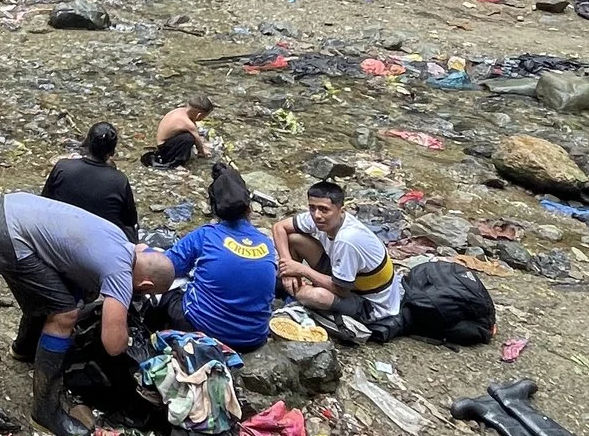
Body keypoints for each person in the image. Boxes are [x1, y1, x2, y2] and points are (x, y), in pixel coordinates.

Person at [0, 189, 174, 436]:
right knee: (65, 314)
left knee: (61, 293)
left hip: (10, 206)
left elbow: (83, 277)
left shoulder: (120, 240)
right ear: (145, 286)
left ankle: (25, 349)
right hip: (7, 236)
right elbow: (114, 345)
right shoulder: (120, 274)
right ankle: (44, 411)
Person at [154, 162, 276, 351]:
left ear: (214, 208)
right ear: (248, 207)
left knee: (166, 290)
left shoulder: (205, 235)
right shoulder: (266, 243)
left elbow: (166, 267)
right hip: (254, 338)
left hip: (208, 331)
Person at [273, 178, 405, 341]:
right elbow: (279, 227)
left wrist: (300, 270)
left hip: (369, 304)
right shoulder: (319, 218)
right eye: (312, 208)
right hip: (346, 277)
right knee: (294, 239)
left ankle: (297, 294)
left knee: (314, 296)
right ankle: (293, 287)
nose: (317, 215)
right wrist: (287, 268)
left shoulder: (347, 239)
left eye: (324, 209)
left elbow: (341, 289)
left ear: (341, 210)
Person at [40, 122, 139, 239]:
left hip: (60, 234)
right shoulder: (119, 180)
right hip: (100, 240)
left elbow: (44, 201)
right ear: (112, 152)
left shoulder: (63, 167)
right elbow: (130, 220)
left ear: (87, 144)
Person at [141, 97, 216, 170]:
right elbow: (197, 140)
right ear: (199, 115)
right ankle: (176, 163)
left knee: (190, 136)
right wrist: (203, 152)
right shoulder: (187, 123)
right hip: (164, 148)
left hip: (165, 142)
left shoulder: (180, 111)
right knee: (189, 138)